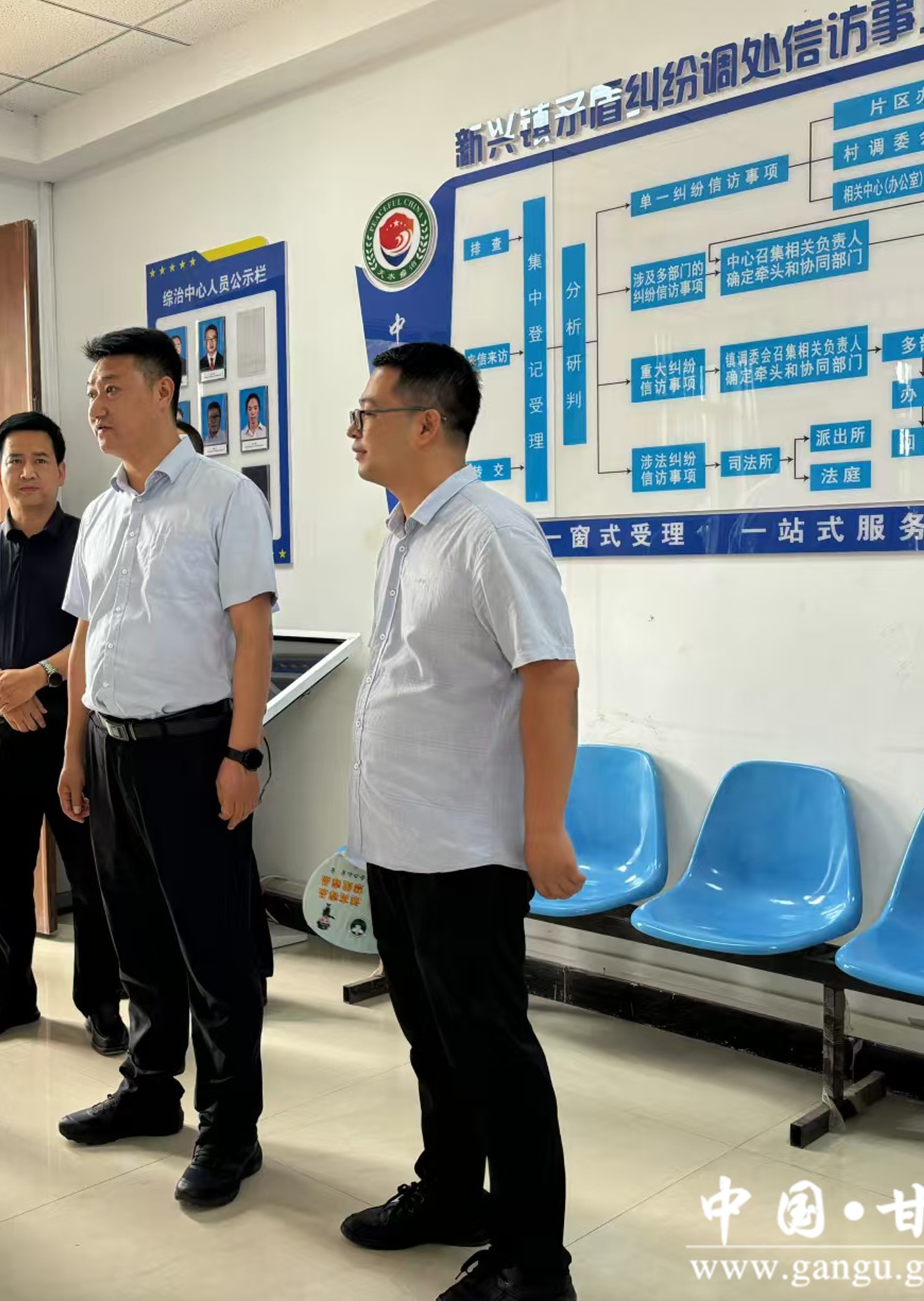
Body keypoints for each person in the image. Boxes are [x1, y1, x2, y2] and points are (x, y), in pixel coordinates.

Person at [342, 342, 582, 1301]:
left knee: (491, 1053)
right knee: (431, 1042)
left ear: (427, 424)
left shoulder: (490, 530)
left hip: (466, 847)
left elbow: (551, 674)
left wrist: (545, 826)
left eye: (368, 413)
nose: (354, 430)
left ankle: (534, 1263)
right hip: (400, 837)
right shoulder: (407, 532)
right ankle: (450, 1193)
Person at [56, 327, 277, 1209]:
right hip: (110, 747)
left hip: (194, 750)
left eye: (111, 388)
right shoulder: (102, 510)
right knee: (138, 939)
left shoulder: (226, 497)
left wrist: (242, 753)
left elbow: (253, 634)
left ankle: (231, 1128)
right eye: (92, 392)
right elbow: (86, 635)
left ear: (163, 392)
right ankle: (150, 1089)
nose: (96, 406)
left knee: (215, 952)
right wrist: (74, 751)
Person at [0, 412, 125, 1055]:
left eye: (40, 460)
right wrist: (2, 690)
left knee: (92, 878)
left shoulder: (89, 540)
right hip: (2, 737)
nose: (27, 472)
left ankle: (101, 1005)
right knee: (7, 878)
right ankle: (12, 996)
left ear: (61, 471)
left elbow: (101, 632)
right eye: (15, 460)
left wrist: (37, 676)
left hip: (75, 735)